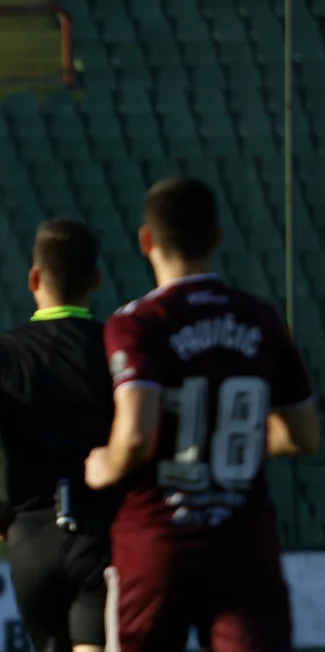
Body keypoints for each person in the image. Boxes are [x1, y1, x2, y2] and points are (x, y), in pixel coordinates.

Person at [86, 177, 321, 652]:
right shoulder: (261, 318)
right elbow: (305, 436)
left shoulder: (138, 323)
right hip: (244, 543)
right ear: (217, 237)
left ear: (146, 240)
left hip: (158, 543)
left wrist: (101, 466)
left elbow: (135, 436)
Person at [0, 219, 117, 652]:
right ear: (95, 280)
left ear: (33, 278)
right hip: (102, 533)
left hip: (31, 538)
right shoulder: (119, 346)